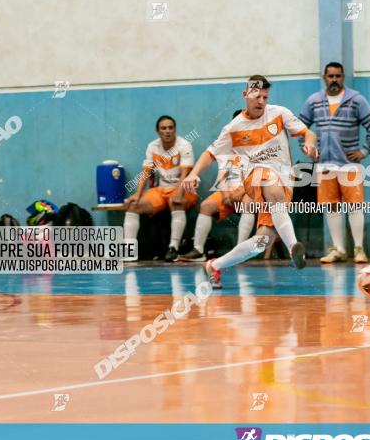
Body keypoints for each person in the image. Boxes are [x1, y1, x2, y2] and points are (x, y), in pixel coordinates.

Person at [182, 75, 319, 287]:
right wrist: (193, 173)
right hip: (258, 178)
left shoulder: (280, 114)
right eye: (257, 96)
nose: (261, 101)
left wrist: (310, 145)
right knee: (270, 186)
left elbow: (307, 133)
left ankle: (215, 265)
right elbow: (211, 153)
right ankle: (293, 248)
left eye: (265, 96)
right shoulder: (234, 128)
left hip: (284, 182)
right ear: (245, 95)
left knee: (262, 241)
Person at [299, 62, 370, 264]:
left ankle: (359, 249)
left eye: (337, 76)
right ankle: (339, 249)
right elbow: (300, 128)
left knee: (354, 206)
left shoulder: (356, 100)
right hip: (325, 165)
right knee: (332, 208)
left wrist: (364, 151)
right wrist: (308, 148)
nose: (334, 80)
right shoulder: (314, 101)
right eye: (330, 76)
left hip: (349, 165)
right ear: (324, 77)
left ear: (343, 77)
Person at [180, 110, 256, 265]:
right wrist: (226, 193)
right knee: (206, 206)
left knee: (248, 203)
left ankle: (239, 251)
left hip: (251, 191)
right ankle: (198, 251)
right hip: (230, 191)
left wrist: (242, 191)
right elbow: (222, 175)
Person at [123, 115, 197, 262]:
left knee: (176, 202)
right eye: (164, 128)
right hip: (161, 189)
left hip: (184, 188)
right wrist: (137, 194)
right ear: (158, 131)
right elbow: (146, 172)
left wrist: (179, 193)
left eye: (171, 128)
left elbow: (185, 172)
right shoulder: (152, 146)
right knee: (132, 206)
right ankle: (129, 251)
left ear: (175, 129)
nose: (167, 131)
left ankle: (173, 248)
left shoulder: (184, 144)